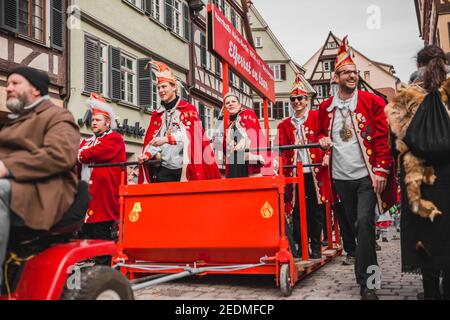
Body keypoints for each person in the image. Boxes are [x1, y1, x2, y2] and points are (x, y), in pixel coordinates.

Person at [317, 36, 397, 300]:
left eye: (354, 72)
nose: (352, 76)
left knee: (365, 224)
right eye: (347, 73)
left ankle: (368, 283)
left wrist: (382, 169)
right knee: (354, 227)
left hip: (366, 176)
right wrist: (323, 142)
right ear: (336, 77)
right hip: (341, 177)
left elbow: (383, 138)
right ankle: (362, 270)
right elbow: (319, 138)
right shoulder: (325, 108)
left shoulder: (372, 102)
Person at [0, 66, 80, 290]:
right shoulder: (15, 121)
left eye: (15, 83)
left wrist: (7, 167)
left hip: (45, 190)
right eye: (8, 84)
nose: (8, 88)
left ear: (35, 89)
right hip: (18, 186)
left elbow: (60, 155)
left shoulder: (57, 116)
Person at [386, 45, 450, 300]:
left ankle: (431, 292)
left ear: (417, 65)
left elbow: (394, 143)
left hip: (418, 180)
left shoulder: (405, 97)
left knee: (426, 237)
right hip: (448, 176)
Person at [138, 61, 220, 183]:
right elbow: (155, 141)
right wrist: (147, 154)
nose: (160, 90)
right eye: (158, 87)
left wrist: (167, 139)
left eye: (164, 86)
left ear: (174, 87)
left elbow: (192, 137)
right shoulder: (157, 114)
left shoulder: (188, 109)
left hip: (186, 168)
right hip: (165, 168)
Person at [276, 75, 329, 259]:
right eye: (293, 99)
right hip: (294, 173)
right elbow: (282, 151)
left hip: (313, 172)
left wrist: (326, 155)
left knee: (315, 210)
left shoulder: (316, 116)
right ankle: (300, 244)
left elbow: (326, 137)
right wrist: (280, 170)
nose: (297, 102)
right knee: (296, 211)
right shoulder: (284, 125)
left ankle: (316, 245)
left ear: (307, 100)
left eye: (300, 98)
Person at [77, 93, 126, 262]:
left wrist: (81, 154)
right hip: (86, 196)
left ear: (107, 122)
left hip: (103, 197)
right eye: (93, 119)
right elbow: (82, 154)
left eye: (98, 119)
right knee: (86, 233)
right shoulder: (87, 141)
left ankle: (104, 269)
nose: (94, 122)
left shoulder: (114, 138)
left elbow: (91, 154)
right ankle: (91, 267)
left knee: (101, 234)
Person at [223, 92, 270, 178]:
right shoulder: (230, 125)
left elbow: (252, 133)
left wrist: (241, 143)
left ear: (239, 104)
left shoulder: (248, 114)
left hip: (248, 159)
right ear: (225, 107)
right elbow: (225, 147)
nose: (230, 104)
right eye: (227, 103)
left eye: (233, 101)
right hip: (235, 160)